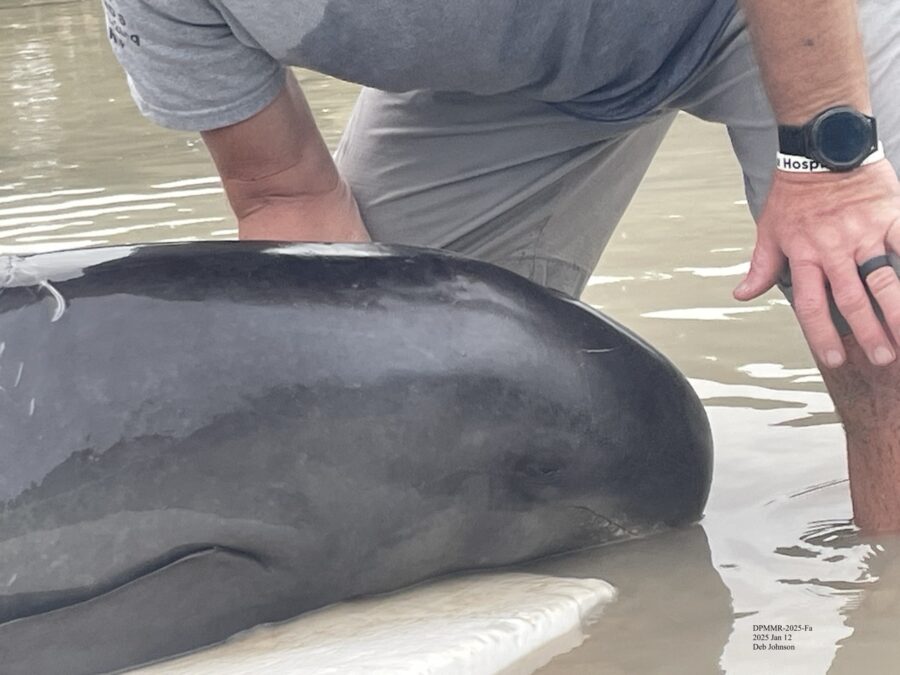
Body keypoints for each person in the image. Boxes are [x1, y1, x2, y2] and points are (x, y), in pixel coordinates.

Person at [102, 1, 900, 530]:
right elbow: (283, 193)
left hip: (770, 18)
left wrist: (832, 159)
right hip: (498, 86)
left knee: (876, 309)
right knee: (403, 414)